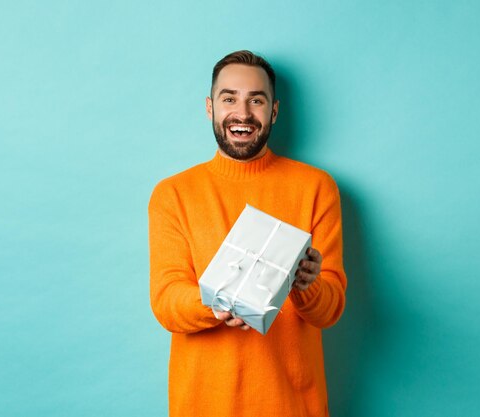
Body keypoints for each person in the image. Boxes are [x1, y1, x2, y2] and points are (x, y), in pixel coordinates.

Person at [148, 50, 347, 417]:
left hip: (293, 405)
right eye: (229, 99)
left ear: (273, 111)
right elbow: (166, 302)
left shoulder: (316, 187)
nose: (243, 113)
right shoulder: (173, 194)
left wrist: (307, 286)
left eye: (256, 100)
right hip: (203, 405)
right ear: (210, 108)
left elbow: (331, 308)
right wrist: (217, 301)